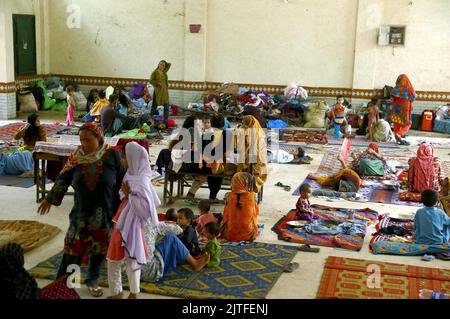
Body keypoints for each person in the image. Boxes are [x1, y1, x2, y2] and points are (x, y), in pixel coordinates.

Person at [37, 123, 125, 298]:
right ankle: (66, 283)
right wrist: (49, 198)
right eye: (81, 139)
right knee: (73, 248)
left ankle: (92, 280)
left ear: (98, 138)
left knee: (99, 249)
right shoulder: (76, 157)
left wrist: (126, 205)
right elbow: (64, 177)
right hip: (81, 213)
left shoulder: (112, 155)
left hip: (105, 212)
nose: (83, 143)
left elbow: (123, 181)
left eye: (88, 139)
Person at [107, 142, 160, 300]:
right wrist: (127, 194)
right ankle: (129, 293)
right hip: (124, 218)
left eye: (125, 157)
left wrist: (129, 194)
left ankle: (121, 293)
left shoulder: (141, 180)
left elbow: (144, 210)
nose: (123, 160)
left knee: (116, 259)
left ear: (133, 158)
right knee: (127, 258)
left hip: (130, 224)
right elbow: (122, 194)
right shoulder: (131, 174)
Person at [140, 220, 210, 283]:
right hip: (150, 272)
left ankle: (183, 257)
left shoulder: (132, 223)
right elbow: (178, 230)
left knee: (157, 240)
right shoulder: (150, 223)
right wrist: (168, 224)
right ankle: (194, 263)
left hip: (134, 271)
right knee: (171, 238)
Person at [233, 115, 268, 193]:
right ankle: (251, 190)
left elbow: (234, 147)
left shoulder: (240, 131)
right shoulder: (259, 133)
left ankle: (242, 189)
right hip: (257, 165)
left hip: (246, 163)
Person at [222, 172, 259, 242]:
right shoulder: (252, 196)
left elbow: (225, 215)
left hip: (229, 235)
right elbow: (255, 214)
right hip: (249, 236)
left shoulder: (228, 196)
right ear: (247, 183)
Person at [390, 74, 416, 144]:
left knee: (396, 122)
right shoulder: (410, 88)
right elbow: (413, 97)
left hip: (396, 108)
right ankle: (399, 134)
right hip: (405, 109)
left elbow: (392, 99)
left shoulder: (396, 88)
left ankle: (396, 136)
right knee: (408, 123)